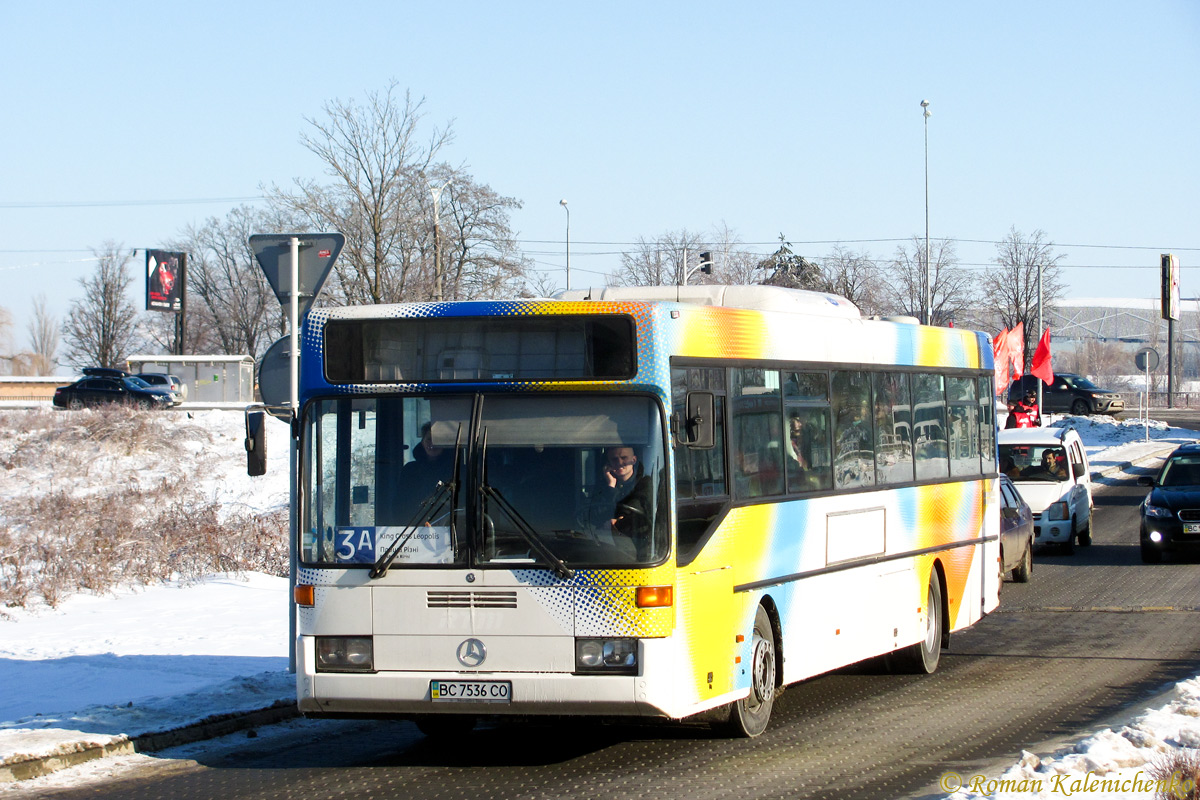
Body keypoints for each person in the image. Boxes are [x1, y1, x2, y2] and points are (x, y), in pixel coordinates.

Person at [593, 445, 654, 550]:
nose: (619, 463)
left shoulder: (645, 483)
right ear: (609, 464)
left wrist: (611, 493)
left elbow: (629, 510)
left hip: (638, 543)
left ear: (634, 460)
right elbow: (594, 515)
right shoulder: (605, 485)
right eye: (614, 459)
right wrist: (611, 485)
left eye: (624, 458)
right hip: (607, 544)